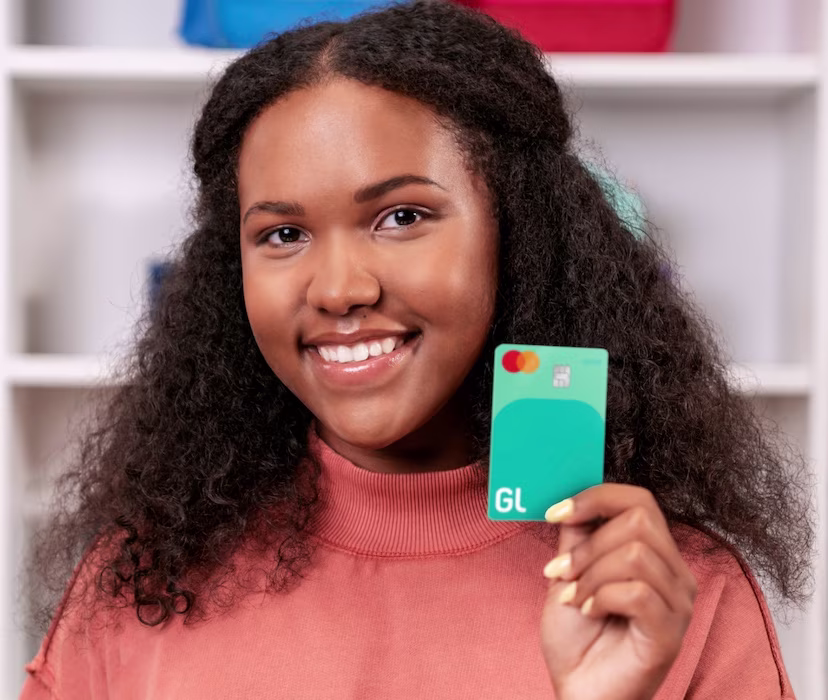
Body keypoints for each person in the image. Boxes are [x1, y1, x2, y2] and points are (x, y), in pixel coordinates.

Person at [20, 1, 812, 698]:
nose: (339, 289)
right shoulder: (142, 578)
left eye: (401, 217)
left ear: (519, 234)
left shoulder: (669, 594)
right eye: (283, 234)